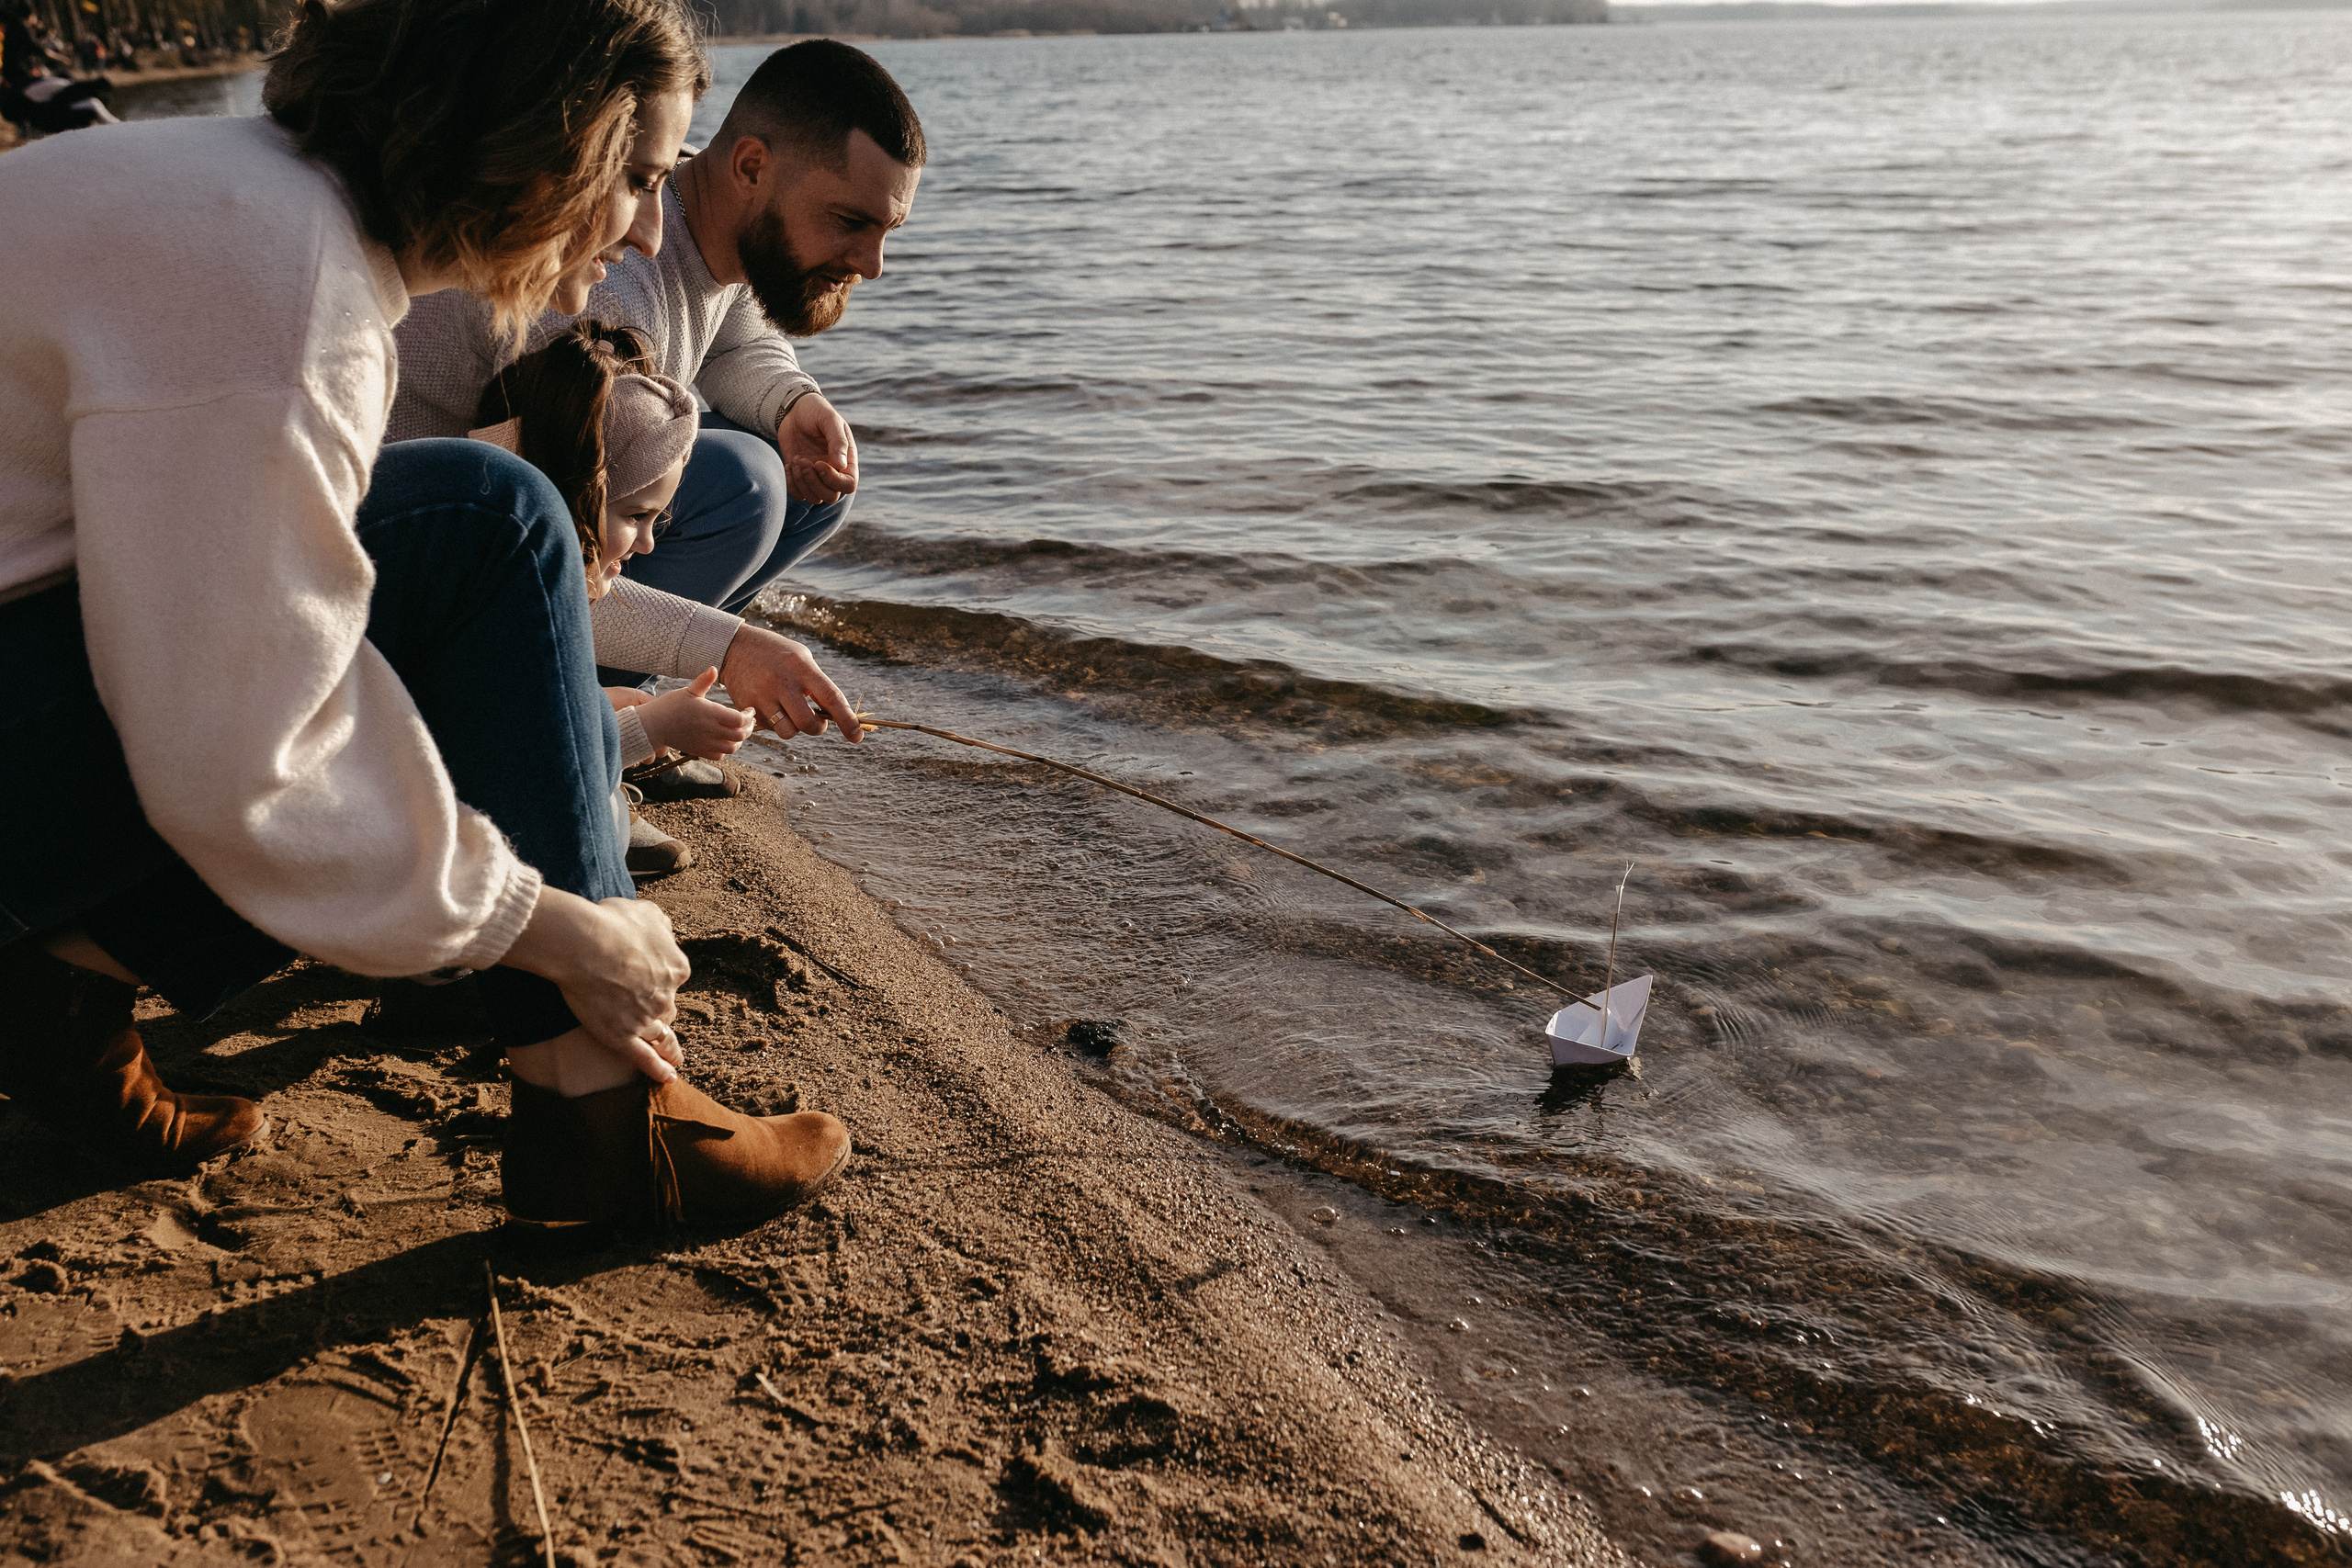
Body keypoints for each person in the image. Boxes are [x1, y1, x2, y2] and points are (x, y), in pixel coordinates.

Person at [0, 0, 846, 1230]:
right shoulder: (283, 284)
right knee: (488, 518)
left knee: (454, 552)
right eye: (640, 178)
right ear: (537, 138)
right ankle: (604, 1109)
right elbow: (232, 760)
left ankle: (61, 998)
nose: (650, 229)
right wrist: (562, 929)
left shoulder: (245, 199)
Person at [389, 39, 924, 783]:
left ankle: (630, 710)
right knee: (747, 484)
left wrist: (791, 401)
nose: (872, 265)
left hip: (511, 512)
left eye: (885, 231)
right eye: (850, 221)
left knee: (809, 485)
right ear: (749, 166)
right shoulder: (603, 287)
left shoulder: (706, 206)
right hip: (422, 562)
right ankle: (590, 729)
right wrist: (735, 646)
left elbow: (735, 332)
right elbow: (534, 554)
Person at [470, 320, 762, 876]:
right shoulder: (495, 612)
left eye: (657, 519)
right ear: (571, 493)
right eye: (634, 516)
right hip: (445, 839)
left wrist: (600, 708)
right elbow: (515, 765)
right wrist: (654, 729)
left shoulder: (492, 574)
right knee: (603, 819)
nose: (649, 543)